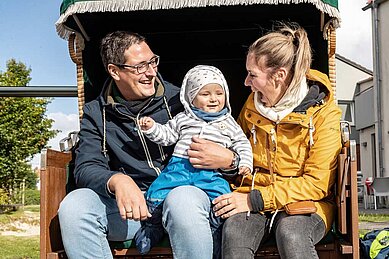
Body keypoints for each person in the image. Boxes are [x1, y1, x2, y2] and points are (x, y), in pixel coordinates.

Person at [57, 31, 236, 259]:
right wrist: (116, 180)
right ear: (115, 71)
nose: (151, 72)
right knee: (75, 206)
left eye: (152, 61)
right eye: (140, 66)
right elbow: (86, 166)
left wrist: (231, 160)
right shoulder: (96, 113)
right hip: (133, 208)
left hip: (186, 202)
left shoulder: (181, 101)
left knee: (182, 199)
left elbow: (227, 134)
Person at [212, 23, 342, 258]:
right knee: (234, 234)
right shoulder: (251, 107)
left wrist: (257, 199)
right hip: (253, 195)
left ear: (279, 75)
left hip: (306, 202)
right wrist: (229, 163)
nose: (245, 83)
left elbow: (316, 184)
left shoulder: (324, 113)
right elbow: (239, 160)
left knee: (291, 234)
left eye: (253, 75)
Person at [134, 65, 253, 254]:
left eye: (219, 93)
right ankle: (152, 227)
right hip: (179, 168)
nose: (214, 99)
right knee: (157, 192)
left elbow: (242, 144)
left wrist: (245, 163)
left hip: (210, 174)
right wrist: (151, 128)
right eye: (205, 94)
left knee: (222, 198)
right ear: (191, 98)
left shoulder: (229, 123)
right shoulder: (183, 118)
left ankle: (216, 232)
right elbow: (167, 136)